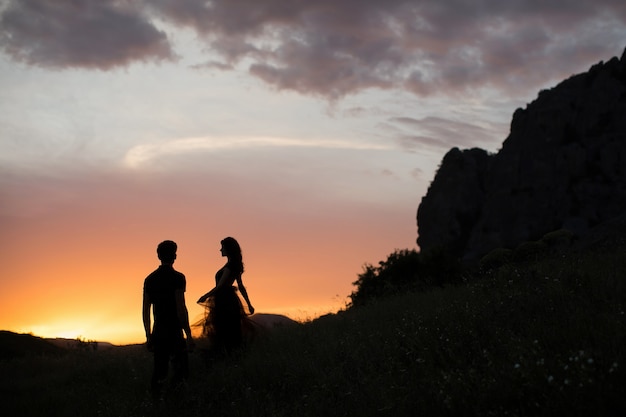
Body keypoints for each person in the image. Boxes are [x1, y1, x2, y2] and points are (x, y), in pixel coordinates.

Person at [143, 240, 195, 400]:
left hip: (159, 331)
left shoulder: (150, 279)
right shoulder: (178, 278)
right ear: (174, 256)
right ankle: (176, 401)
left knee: (159, 372)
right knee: (181, 371)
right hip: (174, 331)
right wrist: (188, 334)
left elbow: (145, 310)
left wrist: (148, 335)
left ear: (159, 256)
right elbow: (181, 307)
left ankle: (157, 404)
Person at [197, 237, 254, 356]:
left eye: (222, 247)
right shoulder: (234, 264)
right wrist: (249, 304)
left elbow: (221, 286)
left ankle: (229, 355)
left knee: (226, 329)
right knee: (229, 329)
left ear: (228, 249)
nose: (220, 250)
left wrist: (205, 296)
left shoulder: (230, 266)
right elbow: (241, 286)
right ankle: (231, 355)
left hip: (225, 301)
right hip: (226, 300)